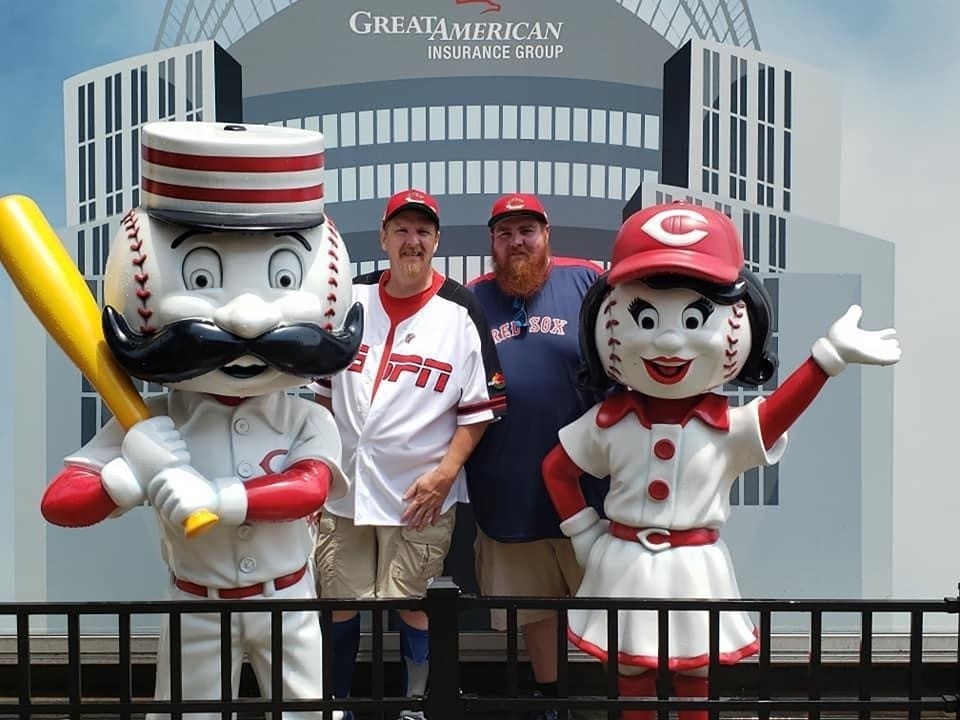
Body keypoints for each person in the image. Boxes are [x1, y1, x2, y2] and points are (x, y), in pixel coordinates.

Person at [38, 121, 364, 720]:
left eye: (283, 279)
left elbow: (309, 488)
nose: (243, 317)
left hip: (286, 600)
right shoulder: (153, 425)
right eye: (204, 280)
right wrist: (125, 478)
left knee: (305, 715)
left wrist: (216, 495)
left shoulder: (303, 417)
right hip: (195, 606)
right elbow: (60, 502)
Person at [542, 201, 901, 720]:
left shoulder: (726, 428)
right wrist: (586, 537)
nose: (668, 340)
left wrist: (827, 359)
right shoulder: (609, 421)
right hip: (622, 562)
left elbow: (775, 415)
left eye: (694, 319)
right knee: (632, 680)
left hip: (694, 566)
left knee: (694, 680)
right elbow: (557, 468)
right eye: (645, 317)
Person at [312, 189, 507, 720]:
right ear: (383, 238)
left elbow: (480, 409)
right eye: (401, 229)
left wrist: (445, 476)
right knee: (340, 600)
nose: (412, 241)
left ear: (437, 241)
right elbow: (324, 395)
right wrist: (319, 468)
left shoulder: (458, 311)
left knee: (413, 603)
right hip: (345, 486)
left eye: (423, 231)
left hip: (420, 490)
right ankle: (338, 704)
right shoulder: (350, 301)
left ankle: (416, 704)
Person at [464, 194, 605, 720]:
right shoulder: (472, 297)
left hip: (588, 485)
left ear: (546, 234)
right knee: (534, 608)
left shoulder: (585, 280)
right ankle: (554, 703)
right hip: (506, 483)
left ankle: (618, 696)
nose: (516, 242)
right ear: (492, 242)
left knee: (607, 599)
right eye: (505, 233)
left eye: (527, 230)